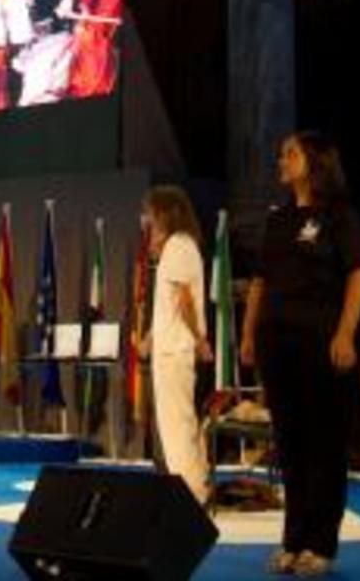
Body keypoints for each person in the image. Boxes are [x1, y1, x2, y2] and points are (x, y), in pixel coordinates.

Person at [241, 131, 360, 577]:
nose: (281, 159)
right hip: (277, 345)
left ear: (314, 162)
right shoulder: (277, 220)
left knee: (323, 445)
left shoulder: (339, 216)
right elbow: (259, 280)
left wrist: (346, 334)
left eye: (290, 153)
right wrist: (249, 333)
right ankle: (292, 541)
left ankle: (321, 544)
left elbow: (357, 275)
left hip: (321, 342)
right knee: (290, 445)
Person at [137, 186, 210, 508]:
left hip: (175, 352)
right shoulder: (175, 248)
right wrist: (149, 340)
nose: (148, 222)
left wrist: (200, 339)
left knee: (177, 426)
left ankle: (191, 495)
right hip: (168, 349)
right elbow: (169, 306)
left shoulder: (179, 246)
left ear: (166, 213)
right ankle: (193, 488)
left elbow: (185, 301)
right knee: (177, 424)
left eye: (152, 215)